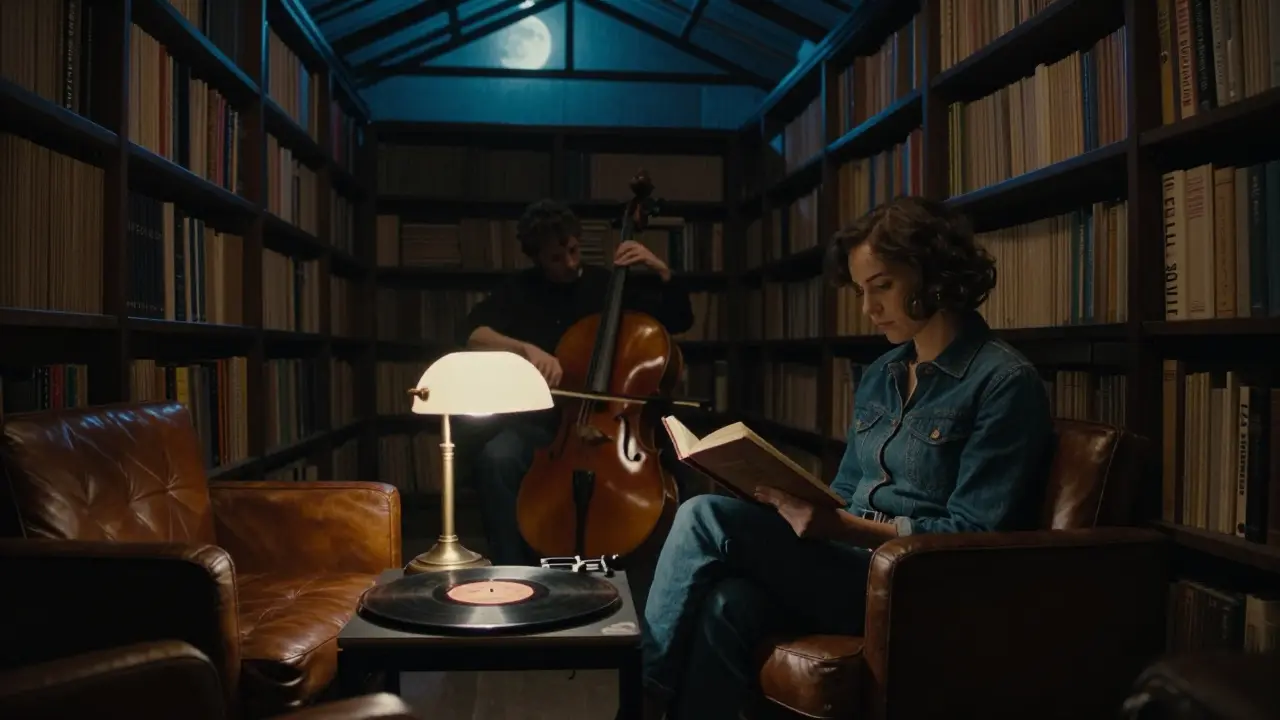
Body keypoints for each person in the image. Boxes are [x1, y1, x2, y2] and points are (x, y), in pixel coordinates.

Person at [638, 196, 1055, 720]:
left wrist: (840, 527)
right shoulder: (882, 372)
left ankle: (638, 698)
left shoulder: (1003, 382)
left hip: (915, 585)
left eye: (881, 286)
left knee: (702, 515)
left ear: (933, 274)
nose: (868, 308)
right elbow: (847, 492)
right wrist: (788, 499)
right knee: (727, 605)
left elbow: (973, 535)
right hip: (849, 565)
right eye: (862, 291)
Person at [457, 198, 695, 566]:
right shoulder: (521, 290)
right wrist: (525, 350)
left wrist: (661, 269)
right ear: (537, 257)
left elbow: (679, 319)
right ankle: (512, 570)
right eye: (556, 258)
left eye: (572, 250)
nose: (569, 263)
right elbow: (472, 332)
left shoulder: (606, 284)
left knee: (680, 463)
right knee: (496, 459)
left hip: (615, 422)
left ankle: (660, 569)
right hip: (545, 424)